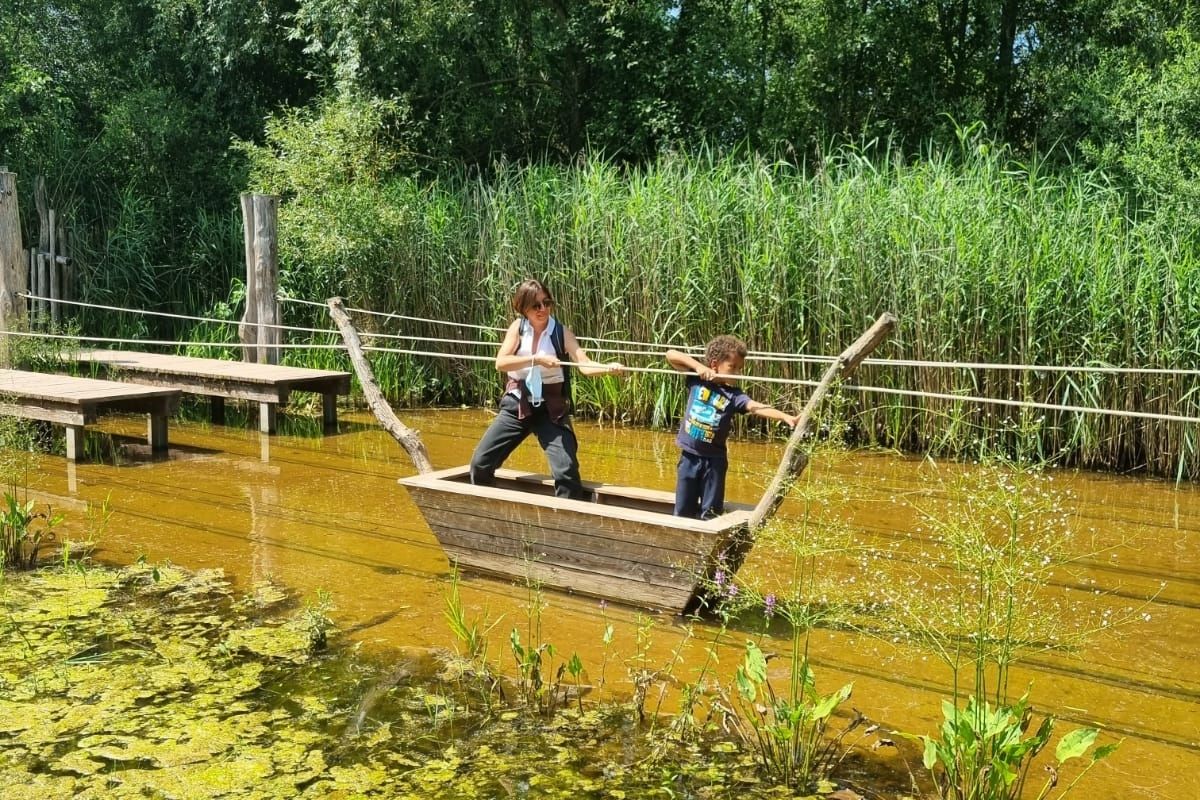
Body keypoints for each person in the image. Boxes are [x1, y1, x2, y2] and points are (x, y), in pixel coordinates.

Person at [469, 278, 624, 499]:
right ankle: (488, 511)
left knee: (566, 472)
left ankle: (565, 523)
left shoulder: (561, 333)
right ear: (523, 307)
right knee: (480, 464)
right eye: (536, 305)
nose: (543, 309)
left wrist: (609, 368)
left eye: (547, 302)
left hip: (550, 408)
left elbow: (584, 364)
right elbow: (500, 362)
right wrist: (536, 359)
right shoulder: (518, 328)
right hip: (518, 403)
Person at [666, 335, 799, 519]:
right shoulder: (697, 379)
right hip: (689, 457)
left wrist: (785, 417)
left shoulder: (734, 395)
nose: (737, 373)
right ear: (714, 364)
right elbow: (671, 354)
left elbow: (755, 406)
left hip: (715, 462)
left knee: (710, 513)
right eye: (732, 367)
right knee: (682, 510)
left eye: (740, 368)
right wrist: (699, 367)